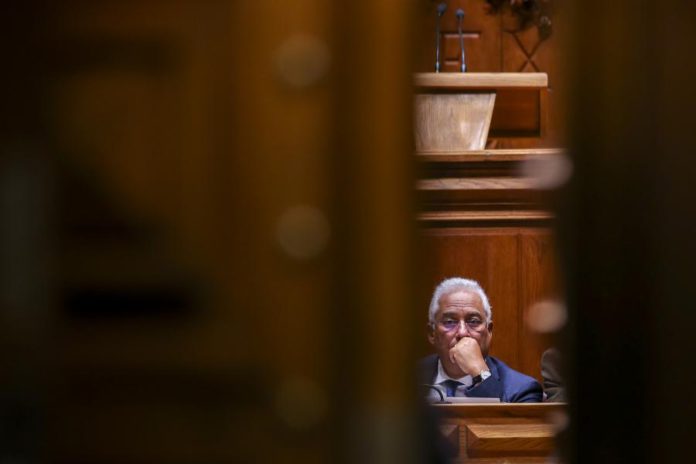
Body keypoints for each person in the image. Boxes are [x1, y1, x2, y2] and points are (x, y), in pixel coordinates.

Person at [419, 277, 542, 402]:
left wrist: (481, 373)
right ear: (432, 333)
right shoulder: (408, 380)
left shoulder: (522, 390)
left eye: (473, 321)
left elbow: (499, 415)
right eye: (450, 322)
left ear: (489, 331)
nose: (462, 332)